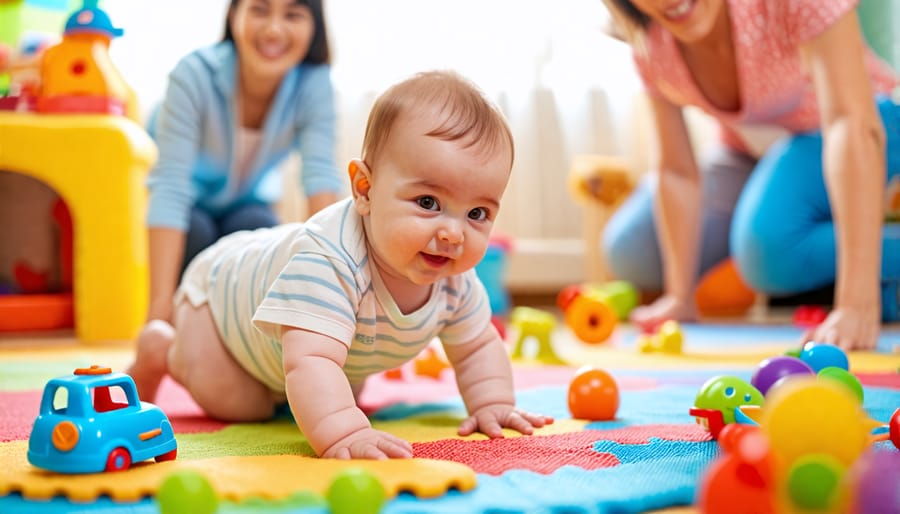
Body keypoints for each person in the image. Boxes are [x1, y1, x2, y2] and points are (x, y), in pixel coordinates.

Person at [127, 70, 554, 460]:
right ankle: (162, 347)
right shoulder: (331, 260)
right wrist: (344, 432)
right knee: (242, 404)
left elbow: (477, 345)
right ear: (364, 190)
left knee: (337, 384)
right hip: (220, 309)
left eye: (477, 213)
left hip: (297, 347)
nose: (453, 234)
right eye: (428, 203)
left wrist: (493, 403)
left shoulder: (454, 278)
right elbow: (310, 359)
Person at [600, 0, 900, 350]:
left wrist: (855, 304)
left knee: (763, 251)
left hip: (867, 124)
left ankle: (861, 271)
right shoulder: (651, 41)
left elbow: (849, 123)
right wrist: (679, 296)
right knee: (629, 249)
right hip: (752, 153)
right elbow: (676, 170)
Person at [142, 0, 344, 333]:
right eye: (260, 10)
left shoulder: (314, 84)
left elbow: (320, 176)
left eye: (293, 14)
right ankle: (182, 324)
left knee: (260, 231)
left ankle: (240, 338)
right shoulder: (193, 74)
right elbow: (170, 187)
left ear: (314, 27)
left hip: (248, 204)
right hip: (189, 207)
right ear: (235, 15)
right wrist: (157, 313)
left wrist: (332, 291)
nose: (274, 29)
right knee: (198, 231)